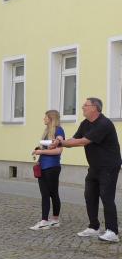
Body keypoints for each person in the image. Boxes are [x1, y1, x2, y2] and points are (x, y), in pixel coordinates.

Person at [52, 97, 122, 243]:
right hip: (95, 166)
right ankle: (94, 227)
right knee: (89, 195)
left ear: (95, 108)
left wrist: (62, 143)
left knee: (106, 196)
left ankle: (112, 231)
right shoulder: (85, 123)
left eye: (85, 105)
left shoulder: (104, 123)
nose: (82, 107)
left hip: (108, 167)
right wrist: (59, 141)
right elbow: (74, 140)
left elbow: (84, 141)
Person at [30, 110, 65, 230]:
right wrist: (39, 154)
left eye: (45, 117)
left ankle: (52, 220)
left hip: (52, 167)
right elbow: (45, 149)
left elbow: (58, 150)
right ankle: (47, 220)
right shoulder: (46, 131)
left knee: (52, 193)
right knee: (45, 194)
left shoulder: (58, 130)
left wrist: (41, 151)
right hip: (43, 166)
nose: (43, 119)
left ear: (51, 118)